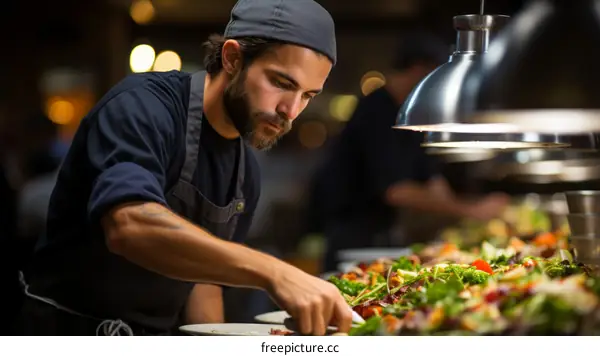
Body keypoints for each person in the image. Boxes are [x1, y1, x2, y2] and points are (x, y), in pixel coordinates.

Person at [14, 0, 352, 336]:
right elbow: (129, 225)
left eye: (308, 95)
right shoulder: (144, 107)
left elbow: (203, 282)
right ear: (232, 58)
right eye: (282, 83)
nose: (291, 111)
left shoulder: (245, 170)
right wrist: (275, 273)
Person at [308, 32, 510, 272]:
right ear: (418, 69)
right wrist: (471, 210)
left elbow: (433, 181)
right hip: (352, 235)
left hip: (384, 231)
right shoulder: (376, 110)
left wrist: (471, 212)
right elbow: (396, 191)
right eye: (437, 75)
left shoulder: (416, 115)